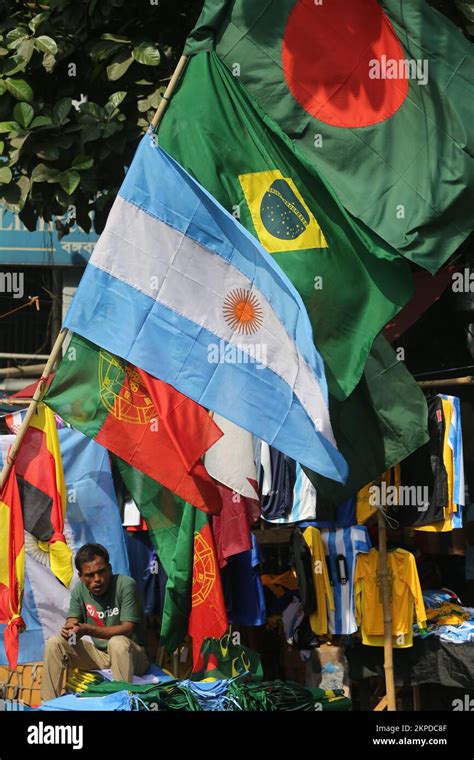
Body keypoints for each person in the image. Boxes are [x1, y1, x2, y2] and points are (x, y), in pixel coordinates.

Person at [41, 543, 149, 702]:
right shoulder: (79, 590)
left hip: (132, 656)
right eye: (90, 575)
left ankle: (122, 703)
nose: (97, 579)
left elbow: (127, 628)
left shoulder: (125, 584)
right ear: (81, 576)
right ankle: (48, 704)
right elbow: (72, 622)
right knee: (54, 643)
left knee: (117, 642)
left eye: (101, 572)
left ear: (109, 569)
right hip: (101, 656)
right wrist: (71, 631)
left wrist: (87, 629)